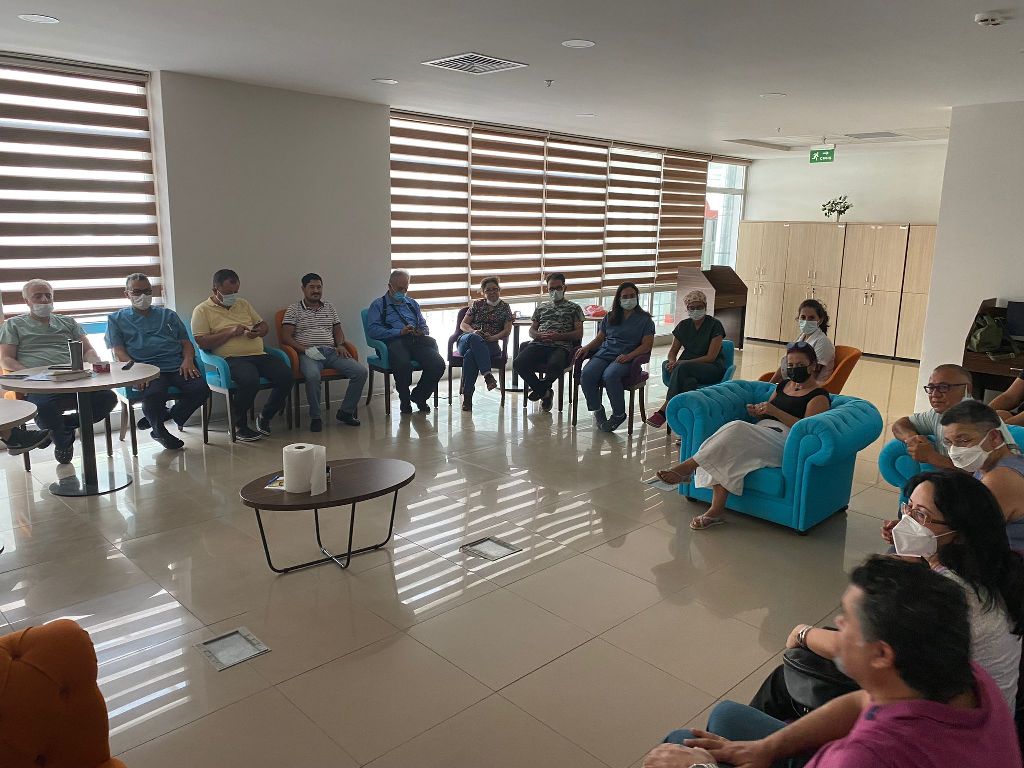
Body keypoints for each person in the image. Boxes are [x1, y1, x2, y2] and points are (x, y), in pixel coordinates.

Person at [643, 556, 1022, 768]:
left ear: (881, 654)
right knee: (726, 716)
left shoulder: (862, 757)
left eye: (847, 620)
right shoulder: (965, 678)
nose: (837, 624)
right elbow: (863, 701)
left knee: (676, 747)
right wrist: (766, 748)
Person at [764, 470, 1024, 723]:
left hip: (948, 724)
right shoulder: (989, 569)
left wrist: (802, 633)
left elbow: (863, 648)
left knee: (787, 673)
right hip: (981, 710)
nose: (907, 520)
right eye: (908, 508)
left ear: (959, 534)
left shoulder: (946, 593)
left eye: (921, 515)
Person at [656, 342, 830, 530]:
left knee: (737, 427)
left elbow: (805, 429)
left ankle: (688, 467)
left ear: (812, 366)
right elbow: (768, 411)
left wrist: (775, 412)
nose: (794, 369)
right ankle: (715, 511)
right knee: (727, 451)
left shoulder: (818, 396)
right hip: (762, 432)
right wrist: (758, 411)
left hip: (784, 441)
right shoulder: (783, 385)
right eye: (791, 365)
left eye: (800, 365)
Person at [0, 279, 116, 464]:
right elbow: (6, 359)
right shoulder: (13, 325)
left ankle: (61, 428)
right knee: (43, 408)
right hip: (39, 383)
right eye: (38, 296)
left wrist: (96, 362)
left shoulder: (68, 322)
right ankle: (63, 443)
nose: (44, 300)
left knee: (108, 398)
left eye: (48, 296)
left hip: (75, 378)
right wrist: (31, 374)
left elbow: (88, 350)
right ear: (26, 301)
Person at [106, 273, 210, 450]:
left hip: (176, 365)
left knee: (201, 389)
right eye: (137, 292)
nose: (143, 296)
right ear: (127, 294)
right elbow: (118, 351)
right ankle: (159, 431)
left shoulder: (168, 315)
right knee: (154, 394)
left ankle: (169, 415)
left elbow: (186, 343)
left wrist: (188, 360)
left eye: (147, 291)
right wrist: (136, 370)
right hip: (145, 368)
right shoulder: (116, 319)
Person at [190, 269, 292, 442]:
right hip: (229, 359)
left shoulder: (243, 304)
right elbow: (202, 342)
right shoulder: (202, 310)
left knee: (286, 376)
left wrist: (258, 331)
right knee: (249, 379)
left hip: (258, 354)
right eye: (228, 293)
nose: (233, 296)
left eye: (235, 292)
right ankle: (238, 425)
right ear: (215, 290)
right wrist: (230, 332)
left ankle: (265, 416)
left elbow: (263, 325)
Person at [280, 273, 368, 431]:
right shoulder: (294, 309)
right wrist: (305, 350)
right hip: (307, 353)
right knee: (313, 376)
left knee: (360, 372)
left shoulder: (329, 307)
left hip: (331, 351)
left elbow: (338, 330)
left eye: (319, 287)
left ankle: (346, 412)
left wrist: (340, 345)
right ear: (303, 289)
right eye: (311, 287)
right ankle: (316, 417)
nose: (316, 290)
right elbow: (286, 336)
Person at [937, 400, 1024, 549]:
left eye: (963, 440)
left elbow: (967, 538)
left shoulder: (1001, 478)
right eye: (949, 443)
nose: (954, 450)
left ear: (994, 437)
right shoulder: (990, 465)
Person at [575, 282, 655, 432]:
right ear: (619, 299)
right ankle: (597, 408)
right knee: (587, 374)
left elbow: (646, 346)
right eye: (625, 297)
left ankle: (619, 414)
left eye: (632, 296)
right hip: (605, 353)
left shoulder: (645, 320)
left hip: (627, 357)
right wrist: (586, 347)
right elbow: (600, 339)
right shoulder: (610, 316)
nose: (629, 299)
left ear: (637, 297)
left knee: (610, 375)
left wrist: (629, 356)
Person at [366, 270, 445, 414]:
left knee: (438, 364)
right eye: (399, 289)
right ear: (390, 286)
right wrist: (398, 332)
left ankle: (419, 396)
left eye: (405, 289)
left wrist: (421, 331)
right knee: (403, 364)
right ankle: (405, 399)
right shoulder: (378, 305)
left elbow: (424, 326)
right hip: (393, 342)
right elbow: (372, 331)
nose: (402, 292)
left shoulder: (412, 304)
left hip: (415, 341)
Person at [645, 289, 725, 429]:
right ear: (687, 309)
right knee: (688, 382)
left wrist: (683, 363)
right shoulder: (683, 325)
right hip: (686, 370)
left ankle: (664, 410)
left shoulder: (715, 325)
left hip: (711, 368)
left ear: (705, 306)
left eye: (699, 307)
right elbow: (672, 352)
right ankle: (686, 427)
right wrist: (672, 362)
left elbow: (711, 357)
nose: (696, 310)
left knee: (682, 368)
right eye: (692, 308)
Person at [513, 273, 584, 412]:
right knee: (518, 363)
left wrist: (559, 336)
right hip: (539, 344)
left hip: (561, 346)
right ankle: (545, 392)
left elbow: (579, 333)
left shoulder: (574, 308)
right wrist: (539, 335)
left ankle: (540, 390)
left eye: (558, 288)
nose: (555, 291)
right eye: (551, 289)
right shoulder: (541, 307)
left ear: (564, 288)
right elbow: (531, 331)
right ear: (547, 289)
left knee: (555, 365)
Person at [890, 363, 973, 470]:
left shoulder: (977, 422)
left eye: (943, 387)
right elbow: (900, 425)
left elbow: (978, 475)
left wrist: (932, 457)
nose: (935, 394)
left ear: (967, 389)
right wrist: (912, 439)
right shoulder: (938, 414)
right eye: (931, 388)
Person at [456, 276, 513, 412]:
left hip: (490, 344)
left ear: (499, 290)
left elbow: (507, 330)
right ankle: (487, 375)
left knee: (471, 355)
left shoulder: (505, 307)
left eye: (495, 289)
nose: (492, 292)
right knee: (474, 339)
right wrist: (473, 331)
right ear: (483, 292)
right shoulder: (477, 305)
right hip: (467, 339)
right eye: (488, 290)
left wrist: (493, 338)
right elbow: (463, 324)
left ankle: (467, 397)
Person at [769, 299, 835, 385]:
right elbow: (785, 363)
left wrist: (787, 388)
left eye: (811, 318)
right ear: (798, 318)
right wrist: (769, 385)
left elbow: (812, 373)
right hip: (792, 382)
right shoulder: (802, 337)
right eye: (803, 317)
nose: (806, 321)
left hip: (810, 386)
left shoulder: (823, 342)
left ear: (820, 320)